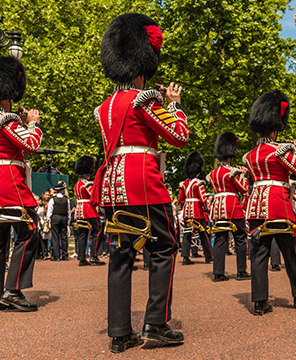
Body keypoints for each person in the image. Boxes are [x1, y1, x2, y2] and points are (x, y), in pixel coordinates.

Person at [93, 13, 188, 353]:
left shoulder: (103, 107)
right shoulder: (142, 99)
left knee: (121, 254)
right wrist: (174, 105)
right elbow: (179, 136)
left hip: (113, 185)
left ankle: (119, 332)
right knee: (164, 248)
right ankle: (156, 323)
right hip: (142, 181)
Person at [0, 55, 43, 312]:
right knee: (29, 230)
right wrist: (33, 123)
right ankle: (13, 289)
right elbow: (31, 145)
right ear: (7, 96)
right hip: (8, 183)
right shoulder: (5, 120)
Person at [243, 90, 296, 316]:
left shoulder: (249, 155)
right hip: (278, 205)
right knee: (290, 252)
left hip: (256, 206)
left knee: (259, 254)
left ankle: (259, 301)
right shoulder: (280, 150)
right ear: (276, 127)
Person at [207, 132, 250, 282]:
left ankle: (218, 272)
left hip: (218, 208)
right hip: (232, 207)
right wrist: (243, 174)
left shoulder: (212, 174)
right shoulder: (232, 172)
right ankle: (241, 271)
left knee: (220, 238)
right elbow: (243, 188)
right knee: (240, 238)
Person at [179, 152, 212, 264]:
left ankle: (185, 257)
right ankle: (208, 256)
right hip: (197, 211)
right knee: (203, 233)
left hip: (187, 211)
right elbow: (203, 198)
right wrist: (207, 209)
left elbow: (181, 199)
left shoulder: (183, 184)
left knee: (187, 234)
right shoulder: (198, 183)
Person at [73, 156, 105, 266]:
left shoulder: (77, 184)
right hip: (89, 210)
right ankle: (93, 256)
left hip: (79, 211)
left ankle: (81, 258)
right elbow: (93, 196)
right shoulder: (86, 184)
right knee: (97, 231)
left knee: (82, 233)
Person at [46, 181, 71, 261]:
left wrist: (48, 220)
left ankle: (56, 256)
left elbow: (49, 211)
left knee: (55, 237)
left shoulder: (53, 199)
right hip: (64, 218)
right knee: (64, 237)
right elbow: (68, 211)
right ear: (62, 190)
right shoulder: (66, 199)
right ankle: (65, 255)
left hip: (55, 217)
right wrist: (68, 221)